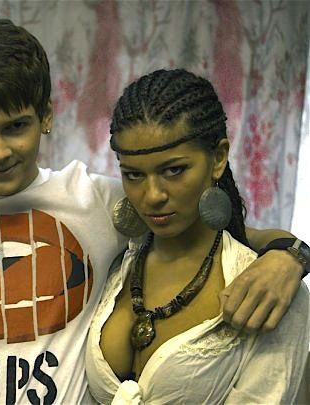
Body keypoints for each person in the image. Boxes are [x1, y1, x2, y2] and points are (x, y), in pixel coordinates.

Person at [0, 17, 307, 404]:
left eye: (15, 126)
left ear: (46, 115)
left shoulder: (99, 201)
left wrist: (291, 256)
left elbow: (231, 236)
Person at [85, 68, 310, 404]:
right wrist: (292, 251)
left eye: (174, 170)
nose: (153, 195)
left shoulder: (269, 288)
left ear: (218, 158)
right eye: (133, 175)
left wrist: (293, 256)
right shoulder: (111, 255)